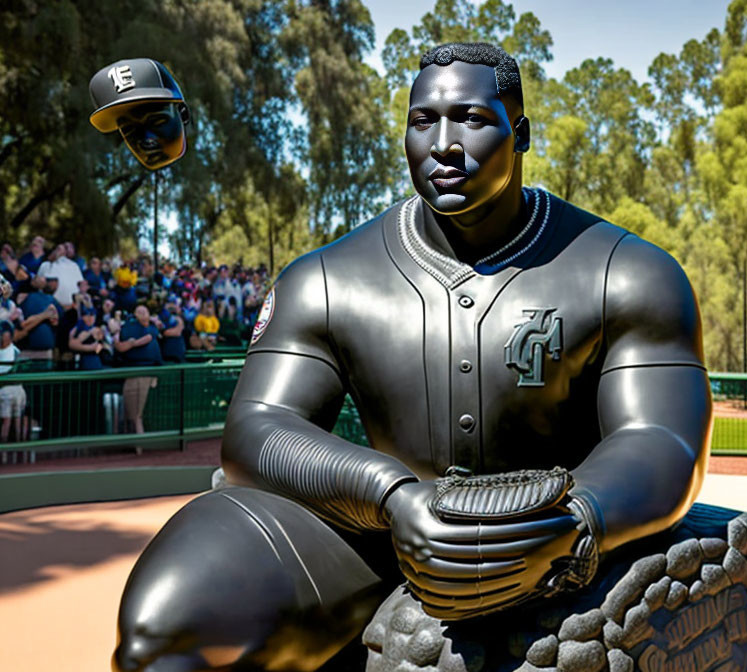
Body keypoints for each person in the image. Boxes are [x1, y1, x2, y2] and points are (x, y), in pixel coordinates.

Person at [113, 43, 711, 671]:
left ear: (521, 133)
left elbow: (661, 438)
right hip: (379, 533)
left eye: (473, 120)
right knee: (163, 636)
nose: (445, 144)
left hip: (549, 528)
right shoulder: (326, 279)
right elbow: (257, 429)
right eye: (423, 121)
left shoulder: (629, 270)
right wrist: (392, 495)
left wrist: (576, 523)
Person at [115, 305, 162, 438]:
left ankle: (139, 444)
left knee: (136, 415)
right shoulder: (129, 327)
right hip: (130, 371)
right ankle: (135, 443)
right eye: (138, 311)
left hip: (147, 372)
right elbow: (119, 346)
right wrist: (133, 343)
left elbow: (152, 339)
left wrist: (156, 374)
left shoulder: (152, 328)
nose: (141, 313)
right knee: (133, 414)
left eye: (144, 311)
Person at [36, 243, 84, 309]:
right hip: (50, 305)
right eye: (58, 249)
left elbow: (80, 284)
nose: (60, 252)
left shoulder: (74, 266)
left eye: (62, 250)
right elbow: (38, 283)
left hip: (71, 306)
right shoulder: (45, 265)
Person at [0, 320, 25, 443]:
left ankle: (21, 447)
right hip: (4, 390)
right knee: (6, 420)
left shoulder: (15, 351)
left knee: (18, 420)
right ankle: (4, 449)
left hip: (17, 389)